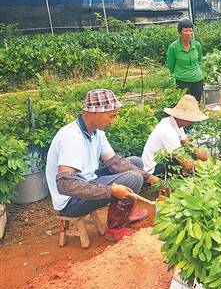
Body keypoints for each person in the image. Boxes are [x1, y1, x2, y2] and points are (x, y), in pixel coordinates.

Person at [45, 89, 159, 242]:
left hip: (87, 181)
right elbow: (65, 185)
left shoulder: (96, 132)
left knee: (135, 163)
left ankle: (126, 212)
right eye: (111, 116)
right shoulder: (71, 137)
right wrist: (109, 191)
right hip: (71, 201)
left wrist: (150, 178)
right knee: (133, 177)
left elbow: (115, 162)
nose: (113, 121)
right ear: (95, 112)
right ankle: (115, 229)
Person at [142, 95, 209, 175]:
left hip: (163, 160)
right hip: (153, 169)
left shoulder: (176, 124)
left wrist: (204, 156)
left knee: (191, 154)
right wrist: (204, 167)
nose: (191, 122)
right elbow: (183, 160)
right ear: (182, 118)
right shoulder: (168, 130)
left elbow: (188, 145)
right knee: (184, 162)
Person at [166, 19, 204, 102]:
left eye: (190, 30)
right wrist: (180, 72)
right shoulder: (173, 47)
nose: (189, 33)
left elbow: (200, 60)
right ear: (180, 32)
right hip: (182, 80)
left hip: (197, 79)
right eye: (186, 31)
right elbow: (170, 65)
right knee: (183, 104)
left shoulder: (197, 45)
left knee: (196, 103)